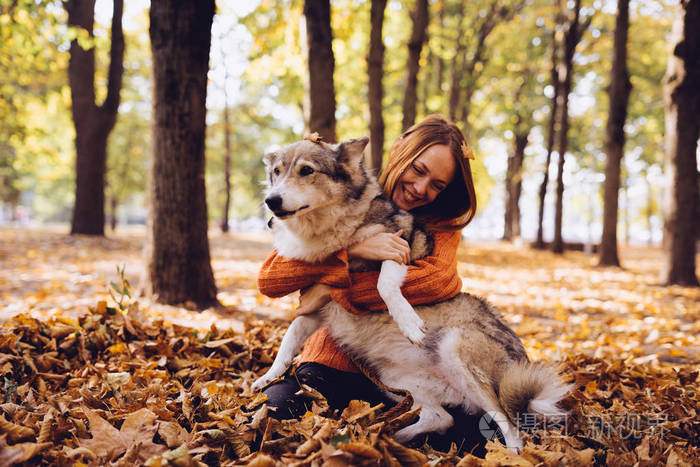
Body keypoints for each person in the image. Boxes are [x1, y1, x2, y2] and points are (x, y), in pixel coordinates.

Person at [256, 114, 485, 452]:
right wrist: (353, 251)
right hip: (331, 360)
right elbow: (272, 278)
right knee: (272, 421)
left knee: (476, 437)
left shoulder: (442, 224)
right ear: (399, 151)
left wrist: (328, 289)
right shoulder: (340, 193)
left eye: (437, 185)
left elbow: (437, 282)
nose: (422, 188)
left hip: (404, 369)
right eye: (419, 170)